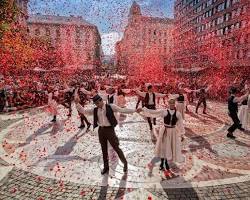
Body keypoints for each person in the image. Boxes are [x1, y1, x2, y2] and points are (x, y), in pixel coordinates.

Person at [74, 94, 137, 175]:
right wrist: (77, 104)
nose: (96, 105)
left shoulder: (111, 107)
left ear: (101, 101)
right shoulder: (95, 110)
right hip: (101, 131)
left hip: (110, 130)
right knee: (104, 149)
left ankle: (125, 163)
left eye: (97, 103)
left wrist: (134, 110)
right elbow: (84, 111)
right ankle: (106, 167)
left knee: (116, 147)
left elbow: (122, 110)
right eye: (95, 103)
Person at [138, 98, 185, 178]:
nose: (172, 105)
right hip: (165, 131)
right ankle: (165, 168)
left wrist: (182, 134)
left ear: (175, 104)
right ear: (168, 104)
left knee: (169, 148)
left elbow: (180, 124)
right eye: (170, 104)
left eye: (173, 104)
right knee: (164, 148)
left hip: (173, 131)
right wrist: (143, 109)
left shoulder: (178, 114)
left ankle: (163, 166)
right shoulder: (164, 112)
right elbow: (153, 112)